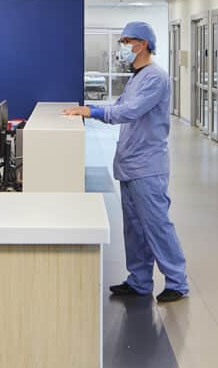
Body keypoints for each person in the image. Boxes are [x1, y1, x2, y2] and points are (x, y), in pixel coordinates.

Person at [64, 22, 188, 303]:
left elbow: (129, 111)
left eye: (125, 41)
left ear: (142, 44)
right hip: (130, 163)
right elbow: (121, 107)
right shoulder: (136, 77)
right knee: (133, 226)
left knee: (156, 225)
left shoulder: (156, 77)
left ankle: (177, 282)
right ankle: (139, 281)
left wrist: (91, 111)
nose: (122, 47)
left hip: (148, 166)